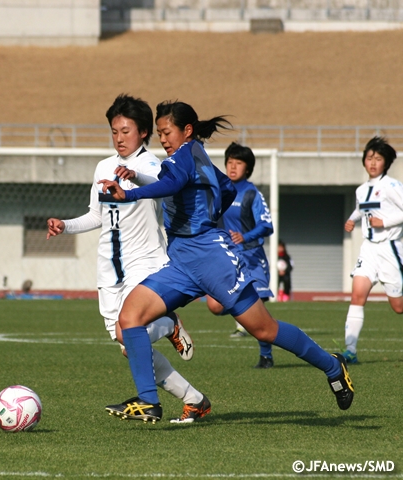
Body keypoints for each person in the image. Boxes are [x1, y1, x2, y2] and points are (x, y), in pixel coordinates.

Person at [98, 100, 354, 422]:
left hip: (210, 259)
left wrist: (129, 192)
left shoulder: (184, 156)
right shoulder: (194, 156)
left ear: (186, 131)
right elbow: (226, 188)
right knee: (130, 317)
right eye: (160, 133)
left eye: (167, 132)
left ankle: (333, 366)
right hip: (181, 262)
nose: (163, 139)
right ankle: (149, 401)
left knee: (265, 330)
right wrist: (207, 212)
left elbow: (174, 184)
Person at [47, 94, 207, 424]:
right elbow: (96, 216)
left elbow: (163, 185)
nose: (119, 138)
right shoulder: (103, 167)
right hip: (110, 267)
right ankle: (195, 400)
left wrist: (133, 178)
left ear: (144, 132)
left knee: (127, 332)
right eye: (114, 131)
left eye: (126, 131)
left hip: (146, 261)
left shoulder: (152, 164)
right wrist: (65, 225)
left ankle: (168, 323)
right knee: (128, 346)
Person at [205, 142, 275, 369]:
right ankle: (242, 312)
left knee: (259, 316)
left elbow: (267, 225)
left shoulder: (252, 194)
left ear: (248, 168)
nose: (232, 167)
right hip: (228, 259)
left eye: (238, 163)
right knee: (215, 306)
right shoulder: (220, 191)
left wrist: (245, 236)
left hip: (252, 259)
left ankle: (266, 356)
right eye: (229, 162)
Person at [342, 137, 402, 364]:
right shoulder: (361, 190)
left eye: (378, 159)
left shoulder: (392, 186)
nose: (373, 163)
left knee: (398, 307)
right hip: (368, 250)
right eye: (369, 158)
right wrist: (351, 219)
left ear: (386, 163)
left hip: (390, 250)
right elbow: (362, 209)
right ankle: (350, 351)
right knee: (357, 295)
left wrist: (384, 222)